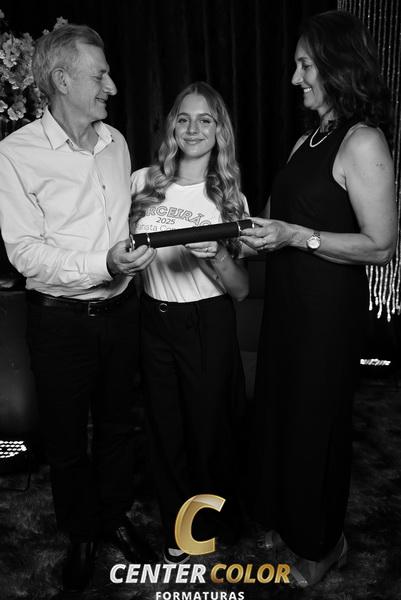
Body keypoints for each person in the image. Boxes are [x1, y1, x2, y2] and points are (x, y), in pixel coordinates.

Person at [240, 10, 397, 587]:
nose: (295, 78)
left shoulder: (363, 141)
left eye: (305, 65)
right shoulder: (306, 141)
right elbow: (279, 223)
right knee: (281, 414)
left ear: (336, 66)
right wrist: (244, 233)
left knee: (316, 426)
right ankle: (289, 519)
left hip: (327, 315)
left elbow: (381, 245)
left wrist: (296, 236)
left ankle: (324, 543)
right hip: (287, 307)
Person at [0, 24, 156, 592]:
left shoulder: (116, 144)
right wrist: (103, 263)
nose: (111, 87)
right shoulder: (15, 154)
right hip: (59, 322)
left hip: (121, 312)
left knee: (118, 427)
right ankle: (81, 533)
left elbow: (120, 224)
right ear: (62, 80)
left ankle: (112, 519)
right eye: (100, 75)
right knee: (66, 441)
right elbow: (25, 253)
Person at [131, 81, 249, 563]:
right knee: (164, 430)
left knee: (208, 432)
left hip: (206, 321)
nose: (193, 128)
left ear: (220, 131)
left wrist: (217, 255)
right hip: (152, 318)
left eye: (205, 120)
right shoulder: (142, 183)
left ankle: (213, 525)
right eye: (183, 118)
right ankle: (178, 531)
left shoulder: (229, 198)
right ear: (171, 127)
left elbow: (241, 290)